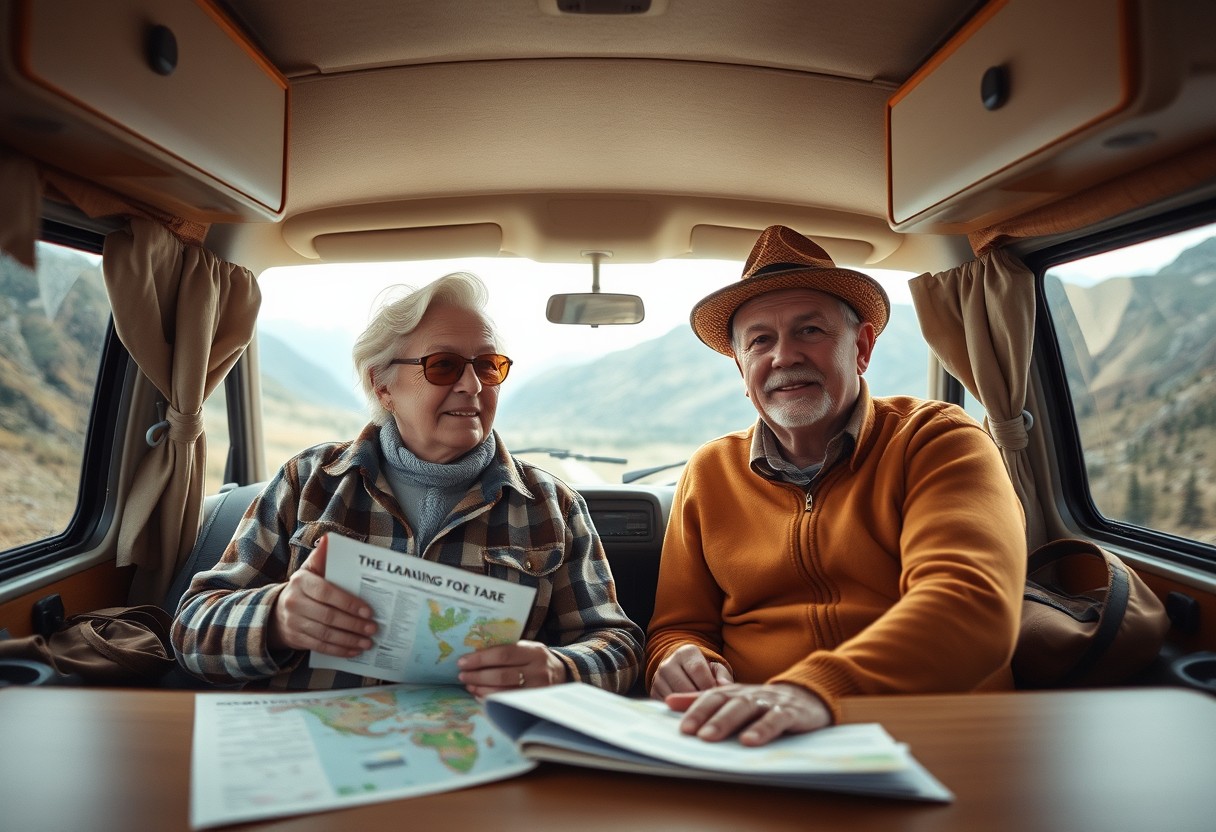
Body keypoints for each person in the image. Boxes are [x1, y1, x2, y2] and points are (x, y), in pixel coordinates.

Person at [172, 272, 644, 694]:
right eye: (443, 365)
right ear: (382, 385)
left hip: (470, 758)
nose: (474, 386)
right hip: (310, 751)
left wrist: (559, 669)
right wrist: (275, 618)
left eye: (487, 365)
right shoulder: (308, 481)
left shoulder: (552, 505)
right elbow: (191, 630)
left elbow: (619, 647)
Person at [644, 225, 1026, 746]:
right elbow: (677, 627)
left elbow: (970, 603)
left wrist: (815, 692)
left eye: (810, 331)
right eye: (760, 340)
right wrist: (679, 659)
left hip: (934, 731)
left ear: (862, 347)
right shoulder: (708, 472)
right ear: (741, 366)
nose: (784, 357)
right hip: (756, 739)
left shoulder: (937, 440)